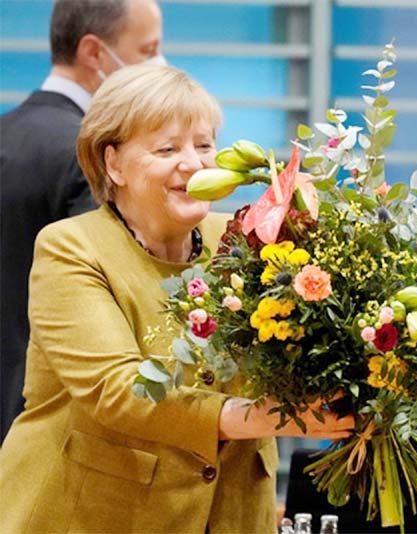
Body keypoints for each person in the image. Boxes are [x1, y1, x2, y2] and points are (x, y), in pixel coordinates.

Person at [0, 65, 354, 532]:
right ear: (114, 163)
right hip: (94, 514)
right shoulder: (70, 248)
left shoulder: (249, 238)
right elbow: (117, 391)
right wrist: (264, 417)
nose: (194, 163)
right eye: (167, 149)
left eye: (204, 145)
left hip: (233, 514)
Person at [0, 0, 165, 443]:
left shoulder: (8, 130)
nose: (160, 65)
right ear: (94, 53)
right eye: (148, 50)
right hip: (50, 421)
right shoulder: (92, 156)